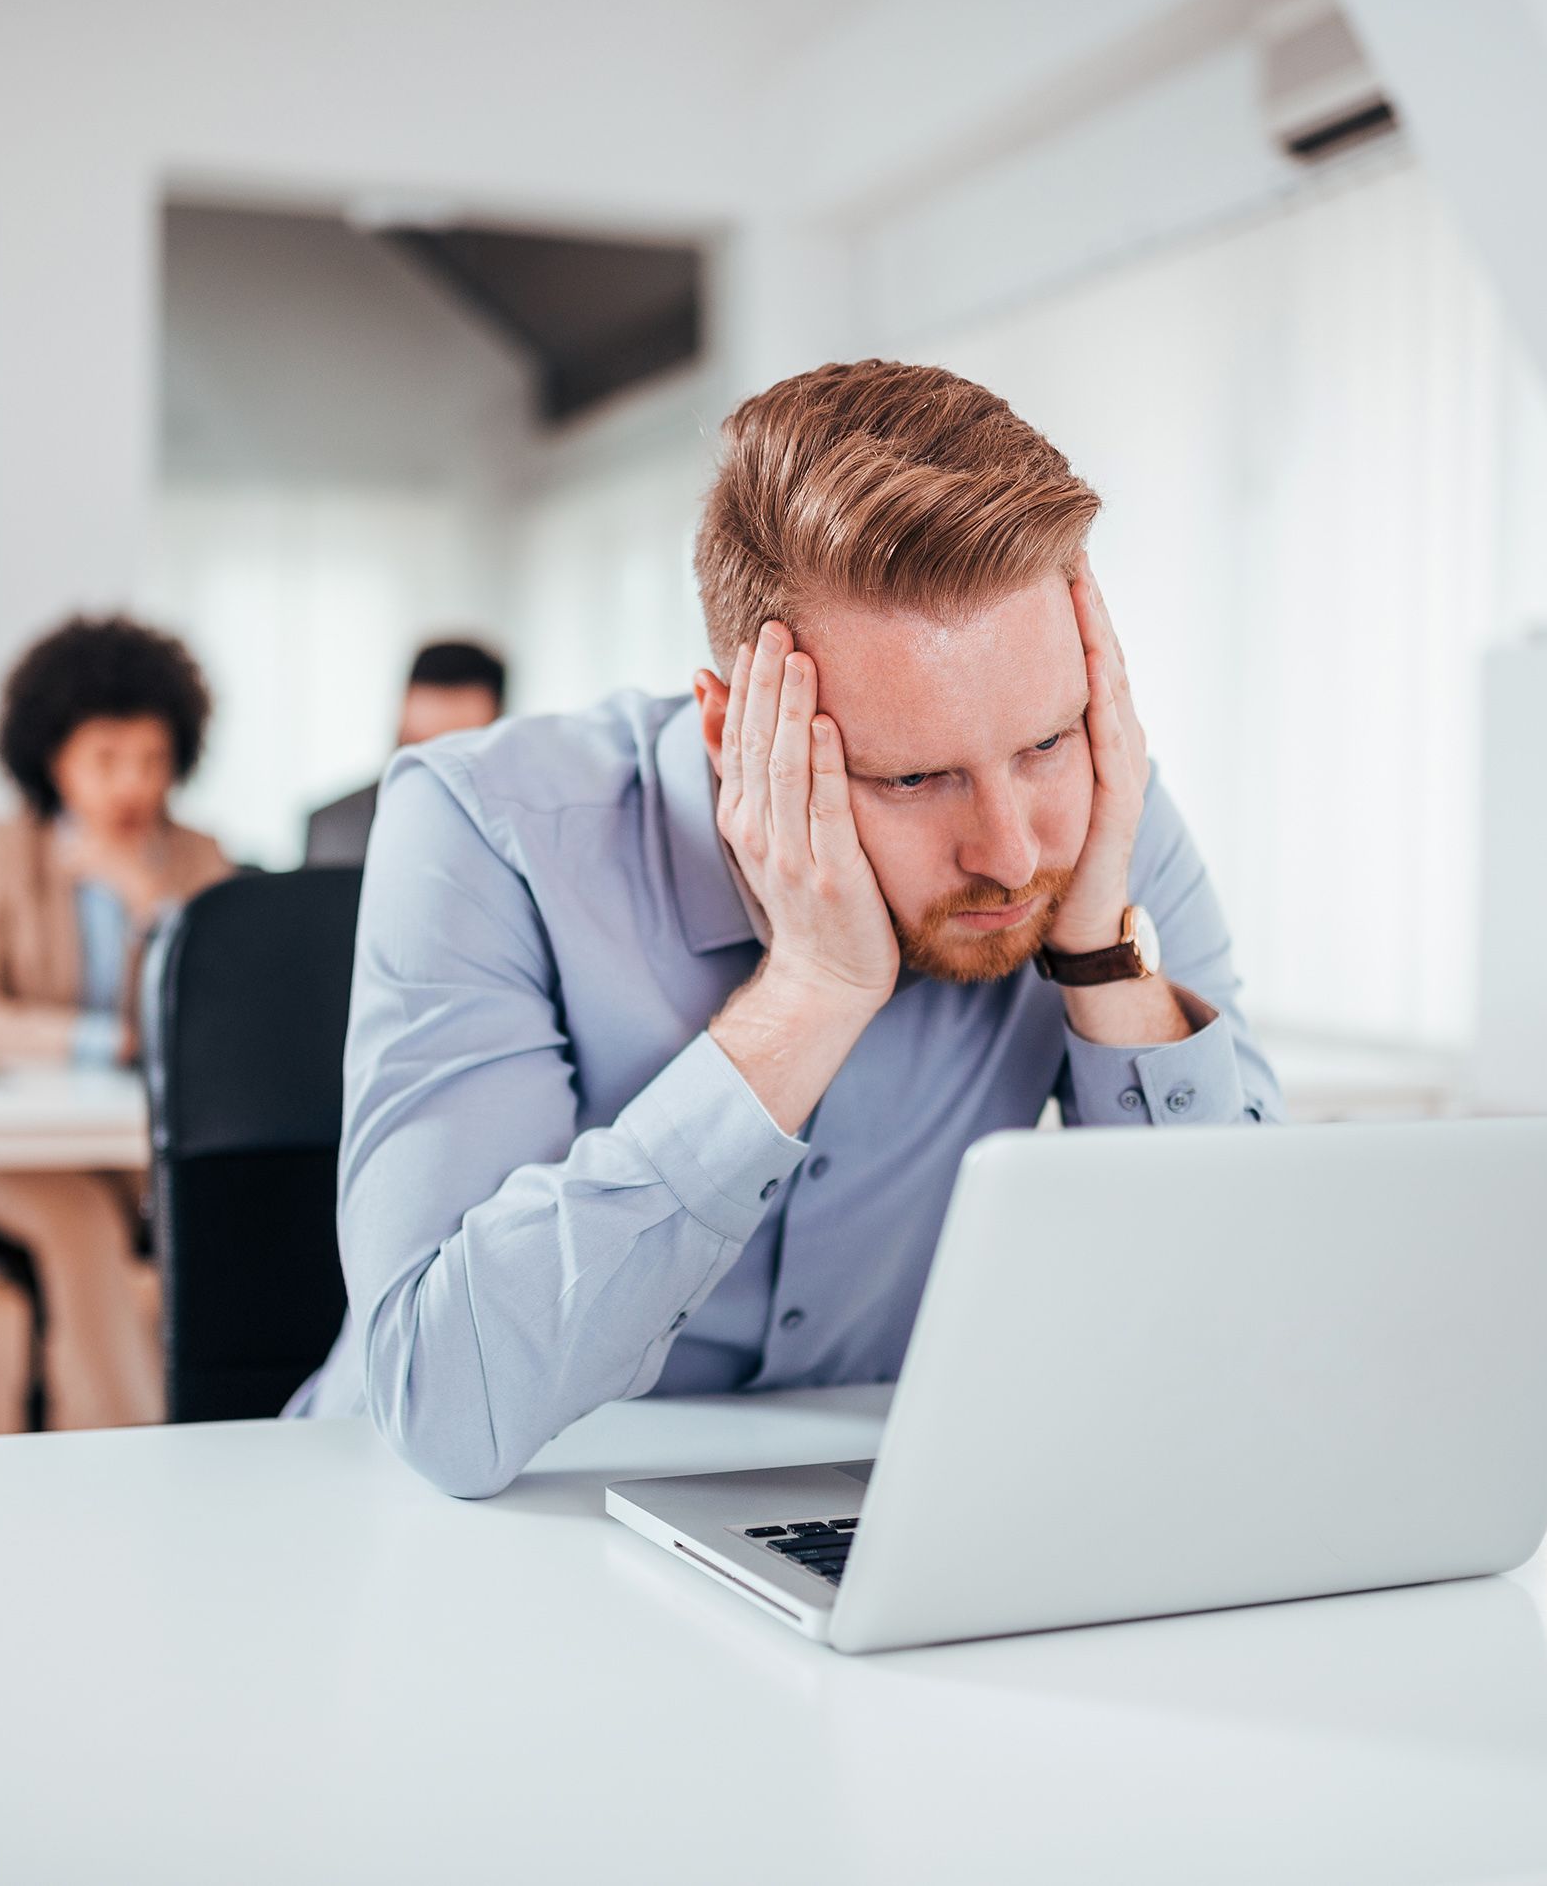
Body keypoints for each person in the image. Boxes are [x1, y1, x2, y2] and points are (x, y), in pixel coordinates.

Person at [293, 361, 1282, 1496]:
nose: (1010, 851)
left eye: (1047, 740)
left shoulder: (1093, 821)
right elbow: (444, 1408)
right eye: (912, 776)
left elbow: (1237, 1329)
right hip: (445, 1529)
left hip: (860, 1529)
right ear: (733, 733)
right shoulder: (482, 827)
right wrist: (808, 991)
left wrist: (1102, 954)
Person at [0, 613, 235, 1429]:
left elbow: (232, 1015)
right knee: (78, 1224)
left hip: (130, 1140)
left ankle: (249, 1429)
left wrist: (148, 899)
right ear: (53, 759)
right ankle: (142, 1454)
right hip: (4, 1146)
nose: (134, 785)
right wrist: (103, 1043)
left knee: (227, 1209)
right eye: (107, 760)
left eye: (155, 761)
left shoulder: (198, 861)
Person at [303, 639, 508, 866]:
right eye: (418, 744)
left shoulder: (519, 833)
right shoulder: (335, 827)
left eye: (453, 755)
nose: (430, 770)